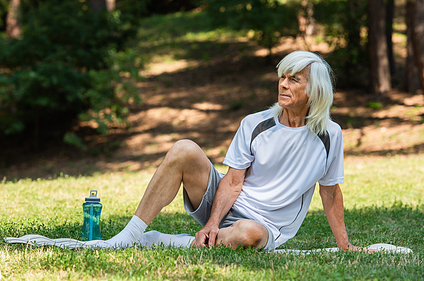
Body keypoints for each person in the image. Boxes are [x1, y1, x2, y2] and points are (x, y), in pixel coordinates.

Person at [91, 50, 367, 252]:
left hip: (264, 226)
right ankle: (129, 235)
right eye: (282, 77)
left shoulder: (330, 135)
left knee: (248, 233)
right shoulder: (255, 124)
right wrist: (212, 222)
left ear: (315, 89)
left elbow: (330, 191)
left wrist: (345, 245)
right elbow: (233, 182)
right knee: (184, 149)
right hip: (224, 204)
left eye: (294, 79)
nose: (283, 84)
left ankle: (175, 241)